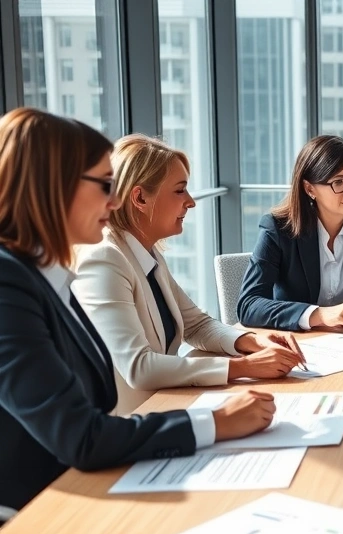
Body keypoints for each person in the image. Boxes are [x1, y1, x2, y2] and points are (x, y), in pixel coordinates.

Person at [0, 108, 276, 513]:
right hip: (40, 509)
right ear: (53, 187)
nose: (112, 202)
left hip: (87, 478)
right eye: (103, 185)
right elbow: (81, 435)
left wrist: (247, 345)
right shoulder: (11, 284)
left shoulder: (47, 275)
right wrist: (215, 422)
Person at [74, 135, 303, 415]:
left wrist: (252, 342)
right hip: (134, 422)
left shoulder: (146, 253)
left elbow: (195, 325)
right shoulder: (105, 259)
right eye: (180, 191)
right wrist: (244, 367)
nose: (191, 202)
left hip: (167, 404)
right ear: (141, 198)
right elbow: (139, 367)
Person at [237, 135, 343, 331]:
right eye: (338, 182)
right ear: (310, 188)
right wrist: (319, 315)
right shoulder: (278, 228)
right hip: (299, 344)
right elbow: (248, 305)